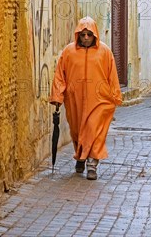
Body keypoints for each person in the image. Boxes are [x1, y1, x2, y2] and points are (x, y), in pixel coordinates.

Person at [49, 16, 122, 180]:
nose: (86, 38)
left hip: (99, 101)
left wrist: (115, 95)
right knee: (77, 131)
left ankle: (92, 165)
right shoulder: (68, 52)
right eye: (83, 35)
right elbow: (60, 76)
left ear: (95, 34)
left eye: (89, 34)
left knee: (94, 131)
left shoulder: (104, 52)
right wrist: (57, 96)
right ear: (78, 35)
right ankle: (80, 157)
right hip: (74, 100)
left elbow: (112, 76)